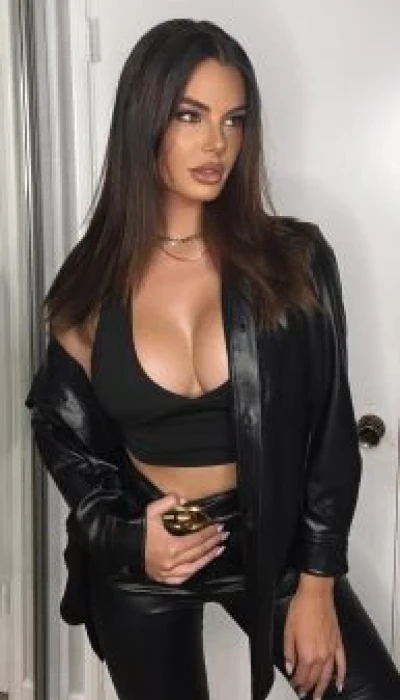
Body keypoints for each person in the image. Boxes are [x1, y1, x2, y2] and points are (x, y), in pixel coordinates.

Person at [26, 17, 400, 700]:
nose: (217, 143)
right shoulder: (91, 284)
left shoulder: (295, 261)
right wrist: (126, 536)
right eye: (190, 115)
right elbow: (60, 429)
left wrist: (318, 583)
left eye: (234, 119)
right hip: (153, 544)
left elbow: (328, 425)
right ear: (145, 120)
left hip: (272, 537)